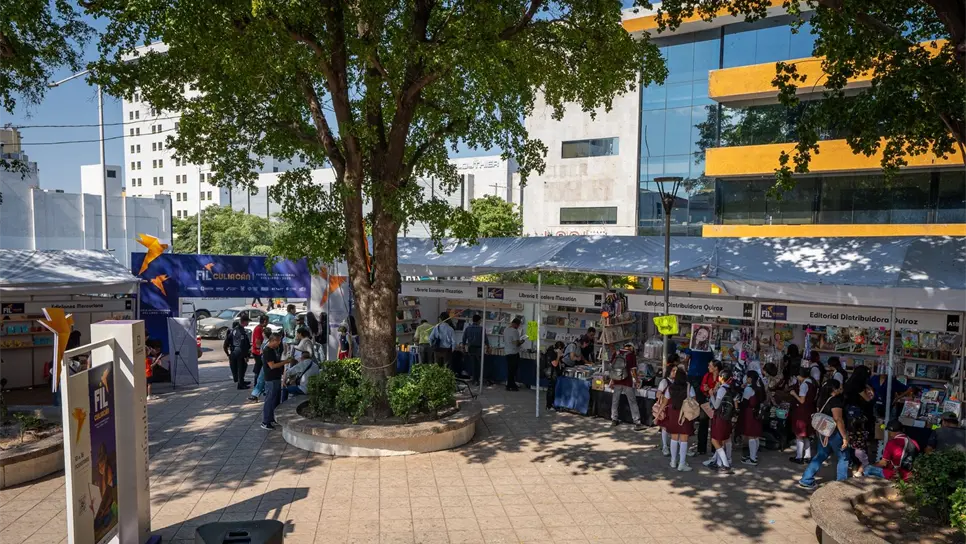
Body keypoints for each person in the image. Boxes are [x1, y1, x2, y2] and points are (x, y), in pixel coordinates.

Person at [799, 379, 850, 489]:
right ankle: (841, 485)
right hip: (835, 434)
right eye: (839, 387)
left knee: (820, 455)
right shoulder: (835, 401)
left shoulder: (821, 399)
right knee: (843, 457)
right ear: (834, 389)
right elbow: (838, 419)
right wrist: (844, 437)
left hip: (823, 432)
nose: (841, 389)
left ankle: (806, 479)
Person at [705, 368, 737, 474]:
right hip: (727, 418)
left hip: (720, 418)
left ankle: (725, 465)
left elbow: (716, 405)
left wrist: (711, 395)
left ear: (722, 378)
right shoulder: (731, 389)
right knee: (722, 440)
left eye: (719, 376)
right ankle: (719, 462)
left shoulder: (722, 390)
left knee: (715, 440)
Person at [665, 365, 696, 472]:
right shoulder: (689, 387)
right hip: (685, 414)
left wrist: (658, 413)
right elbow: (694, 400)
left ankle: (673, 461)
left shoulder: (670, 388)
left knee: (674, 437)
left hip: (673, 413)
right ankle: (682, 463)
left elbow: (665, 401)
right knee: (684, 439)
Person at [686, 348, 715, 455]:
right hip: (705, 396)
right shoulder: (707, 375)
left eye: (710, 366)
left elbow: (686, 359)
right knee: (703, 418)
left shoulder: (693, 347)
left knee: (705, 418)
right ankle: (703, 447)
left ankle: (709, 447)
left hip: (695, 379)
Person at [610, 345, 644, 431]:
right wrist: (637, 380)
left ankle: (614, 419)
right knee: (632, 401)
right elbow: (633, 371)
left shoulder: (616, 353)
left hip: (617, 380)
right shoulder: (631, 355)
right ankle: (637, 422)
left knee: (615, 400)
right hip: (627, 381)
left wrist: (612, 381)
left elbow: (612, 368)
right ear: (631, 348)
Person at [789, 366, 818, 464]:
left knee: (799, 434)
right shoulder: (812, 383)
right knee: (806, 435)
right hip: (810, 410)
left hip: (802, 411)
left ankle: (799, 456)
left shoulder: (804, 385)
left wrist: (794, 394)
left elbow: (802, 400)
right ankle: (807, 456)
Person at [738, 370, 766, 466]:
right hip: (757, 413)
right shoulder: (759, 388)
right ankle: (754, 455)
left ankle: (752, 459)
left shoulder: (748, 389)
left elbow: (744, 403)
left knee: (751, 435)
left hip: (749, 413)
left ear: (750, 378)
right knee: (755, 435)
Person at [260, 333, 285, 430]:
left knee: (275, 399)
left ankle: (272, 418)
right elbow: (272, 366)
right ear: (273, 340)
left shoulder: (275, 349)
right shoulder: (267, 351)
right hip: (271, 378)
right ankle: (265, 421)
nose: (279, 343)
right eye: (278, 341)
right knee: (269, 400)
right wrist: (285, 362)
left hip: (276, 377)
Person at [224, 315, 251, 389]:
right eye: (247, 321)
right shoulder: (241, 331)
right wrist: (246, 355)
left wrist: (227, 353)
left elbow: (227, 341)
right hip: (240, 352)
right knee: (241, 367)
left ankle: (241, 381)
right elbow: (243, 345)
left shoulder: (234, 330)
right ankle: (240, 384)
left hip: (234, 351)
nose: (248, 323)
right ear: (244, 322)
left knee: (239, 367)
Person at [247, 315, 268, 400]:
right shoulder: (259, 329)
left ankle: (257, 389)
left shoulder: (258, 328)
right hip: (258, 352)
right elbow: (258, 341)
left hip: (257, 352)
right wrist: (261, 350)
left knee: (260, 371)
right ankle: (257, 387)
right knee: (259, 371)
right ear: (265, 321)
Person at [461, 315, 488, 382]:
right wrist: (488, 346)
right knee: (479, 365)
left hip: (471, 348)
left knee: (473, 364)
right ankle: (477, 379)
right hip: (479, 348)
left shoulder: (468, 328)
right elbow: (485, 339)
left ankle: (474, 379)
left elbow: (464, 338)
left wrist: (463, 347)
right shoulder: (481, 329)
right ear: (479, 320)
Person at [503, 318, 525, 391]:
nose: (518, 327)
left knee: (510, 370)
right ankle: (511, 385)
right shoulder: (514, 331)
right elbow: (516, 343)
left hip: (507, 352)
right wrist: (522, 341)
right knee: (513, 370)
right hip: (513, 353)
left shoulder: (506, 330)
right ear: (516, 324)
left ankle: (509, 385)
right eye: (518, 325)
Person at [545, 342, 565, 411]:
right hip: (551, 373)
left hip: (554, 373)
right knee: (551, 389)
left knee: (553, 389)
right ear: (559, 349)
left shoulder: (554, 353)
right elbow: (555, 364)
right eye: (562, 349)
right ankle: (549, 405)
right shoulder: (551, 353)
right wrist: (558, 356)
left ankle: (552, 403)